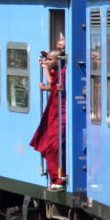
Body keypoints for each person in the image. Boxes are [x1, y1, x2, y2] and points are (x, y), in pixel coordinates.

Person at [30, 47, 66, 191]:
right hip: (53, 111)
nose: (47, 61)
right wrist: (46, 66)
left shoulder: (64, 73)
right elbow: (53, 85)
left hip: (59, 112)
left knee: (53, 145)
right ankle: (55, 177)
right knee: (47, 143)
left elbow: (54, 85)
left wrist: (46, 68)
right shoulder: (58, 70)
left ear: (58, 61)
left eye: (51, 59)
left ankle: (59, 177)